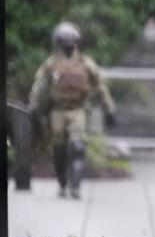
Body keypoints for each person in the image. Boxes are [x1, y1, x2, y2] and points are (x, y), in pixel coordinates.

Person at [29, 22, 117, 199]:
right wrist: (34, 110)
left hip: (78, 111)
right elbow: (39, 88)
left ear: (77, 41)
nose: (68, 43)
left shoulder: (86, 63)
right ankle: (62, 181)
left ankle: (75, 185)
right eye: (64, 40)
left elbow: (100, 86)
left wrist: (109, 109)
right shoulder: (51, 64)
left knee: (78, 146)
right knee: (59, 149)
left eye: (72, 39)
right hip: (57, 112)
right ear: (58, 42)